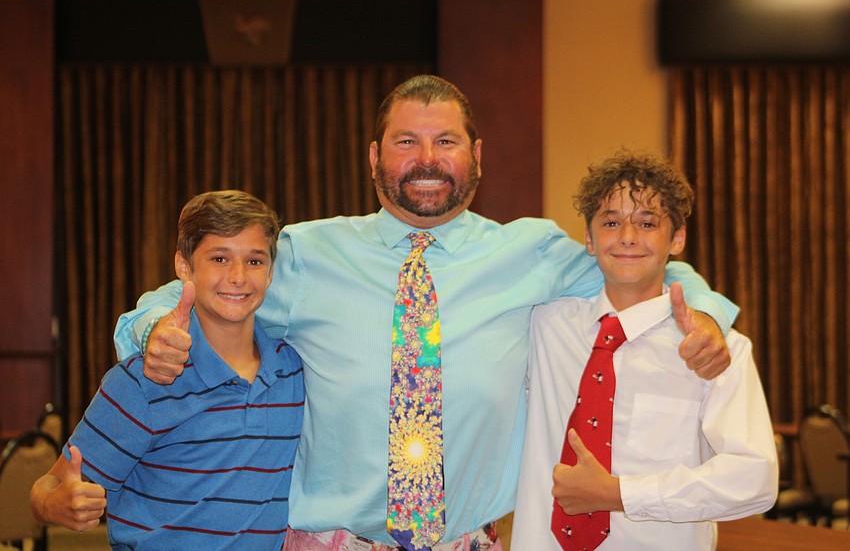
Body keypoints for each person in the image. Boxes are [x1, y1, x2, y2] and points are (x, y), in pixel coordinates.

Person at [112, 76, 739, 551]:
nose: (427, 158)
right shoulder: (307, 253)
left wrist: (704, 314)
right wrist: (154, 331)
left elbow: (637, 265)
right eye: (406, 141)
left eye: (446, 141)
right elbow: (190, 287)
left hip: (470, 540)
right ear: (373, 156)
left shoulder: (530, 252)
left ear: (477, 156)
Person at [511, 150, 778, 551]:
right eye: (611, 222)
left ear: (677, 239)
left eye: (647, 223)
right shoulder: (542, 325)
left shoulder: (716, 350)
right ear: (588, 237)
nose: (628, 237)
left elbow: (754, 479)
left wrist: (621, 494)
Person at [30, 190, 305, 549]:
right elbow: (46, 487)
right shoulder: (144, 379)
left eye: (254, 261)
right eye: (219, 258)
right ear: (184, 267)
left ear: (271, 273)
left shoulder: (292, 372)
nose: (238, 276)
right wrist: (57, 504)